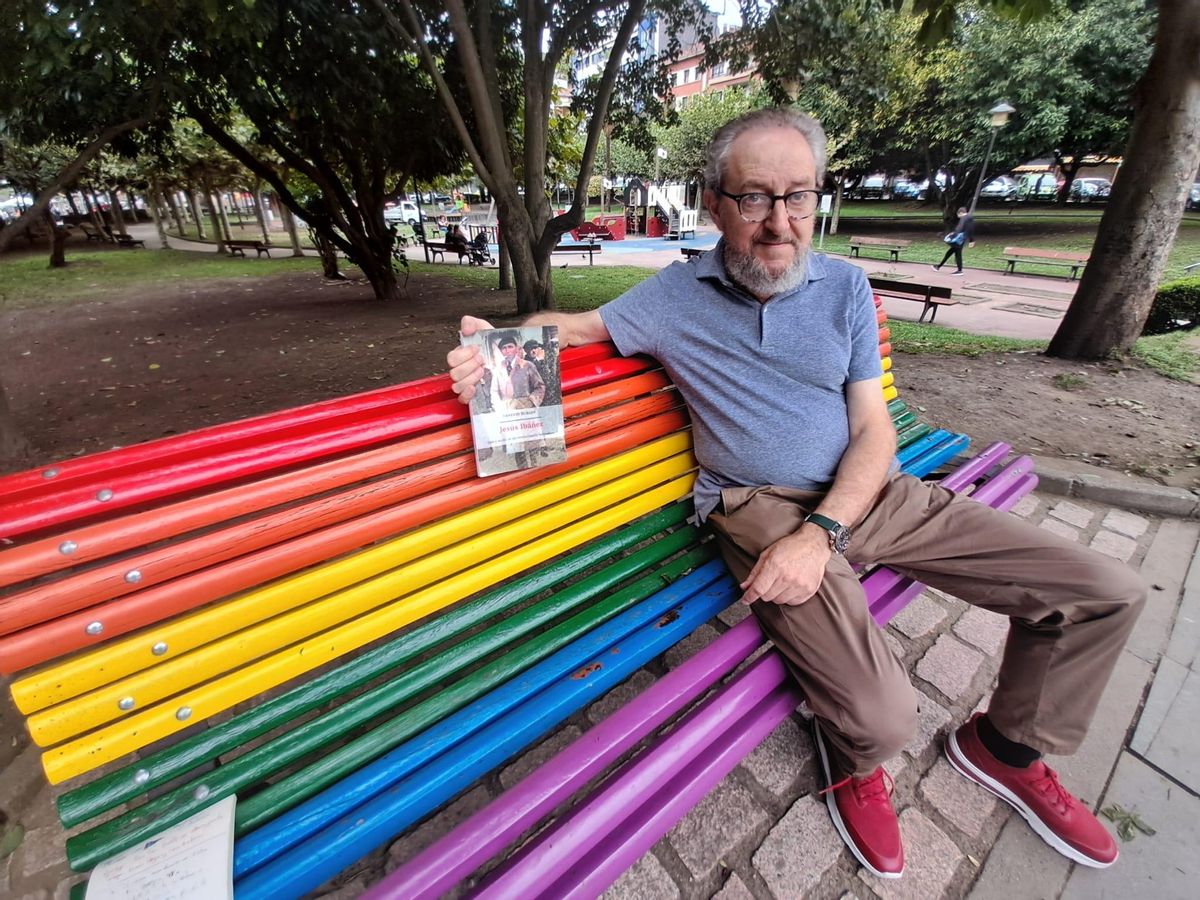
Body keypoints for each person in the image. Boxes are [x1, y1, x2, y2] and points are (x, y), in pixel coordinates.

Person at [446, 108, 1144, 879]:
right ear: (713, 202)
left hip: (867, 491)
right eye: (754, 198)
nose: (779, 223)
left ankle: (1005, 749)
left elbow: (874, 429)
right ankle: (853, 756)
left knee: (1105, 590)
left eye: (799, 197)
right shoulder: (673, 297)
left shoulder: (844, 286)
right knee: (883, 723)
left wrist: (824, 535)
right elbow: (569, 327)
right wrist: (494, 350)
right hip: (758, 504)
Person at [933, 206, 976, 275]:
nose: (958, 216)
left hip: (958, 239)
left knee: (957, 254)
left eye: (958, 215)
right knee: (950, 252)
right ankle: (938, 266)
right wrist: (971, 240)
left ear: (961, 213)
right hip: (963, 238)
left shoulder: (963, 218)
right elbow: (971, 230)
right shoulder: (970, 218)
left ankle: (959, 270)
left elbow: (959, 228)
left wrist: (952, 236)